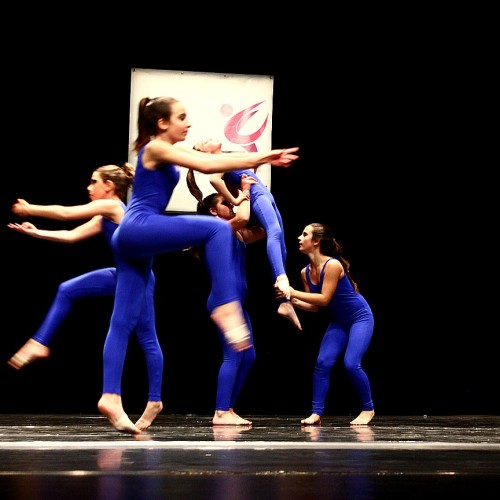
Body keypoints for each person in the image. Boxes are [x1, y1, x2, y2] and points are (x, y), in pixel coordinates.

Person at [97, 96, 299, 434]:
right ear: (162, 123)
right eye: (181, 117)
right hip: (138, 227)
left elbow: (207, 163)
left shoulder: (163, 151)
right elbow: (208, 165)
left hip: (135, 240)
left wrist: (260, 159)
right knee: (217, 228)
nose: (188, 123)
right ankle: (224, 305)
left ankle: (110, 396)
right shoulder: (156, 147)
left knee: (123, 320)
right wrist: (265, 156)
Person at [6, 163, 164, 431]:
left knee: (146, 337)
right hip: (121, 276)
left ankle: (154, 400)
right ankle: (39, 342)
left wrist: (30, 208)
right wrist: (35, 232)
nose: (89, 188)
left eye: (94, 182)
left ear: (109, 186)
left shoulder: (113, 206)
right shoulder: (103, 217)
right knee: (67, 289)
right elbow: (71, 236)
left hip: (139, 280)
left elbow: (66, 213)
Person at [192, 138, 302, 331]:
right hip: (258, 195)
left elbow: (243, 170)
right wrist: (238, 199)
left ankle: (284, 301)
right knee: (274, 231)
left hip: (263, 194)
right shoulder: (218, 162)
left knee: (280, 242)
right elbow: (214, 180)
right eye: (204, 142)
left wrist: (251, 174)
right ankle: (280, 277)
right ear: (206, 154)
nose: (209, 139)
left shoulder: (227, 159)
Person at [276, 222, 375, 426]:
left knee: (351, 363)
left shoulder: (332, 265)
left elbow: (324, 299)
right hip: (339, 321)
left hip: (360, 317)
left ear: (316, 241)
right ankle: (316, 413)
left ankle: (368, 409)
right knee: (322, 363)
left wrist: (292, 292)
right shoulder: (305, 272)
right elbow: (314, 307)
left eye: (304, 234)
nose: (299, 238)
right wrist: (291, 300)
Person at [187, 169, 265, 426]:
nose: (231, 205)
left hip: (237, 304)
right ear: (213, 211)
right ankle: (220, 412)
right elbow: (243, 216)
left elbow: (264, 230)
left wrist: (260, 195)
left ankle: (228, 409)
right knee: (233, 355)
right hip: (224, 302)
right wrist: (244, 190)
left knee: (249, 357)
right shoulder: (217, 229)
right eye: (225, 203)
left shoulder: (236, 233)